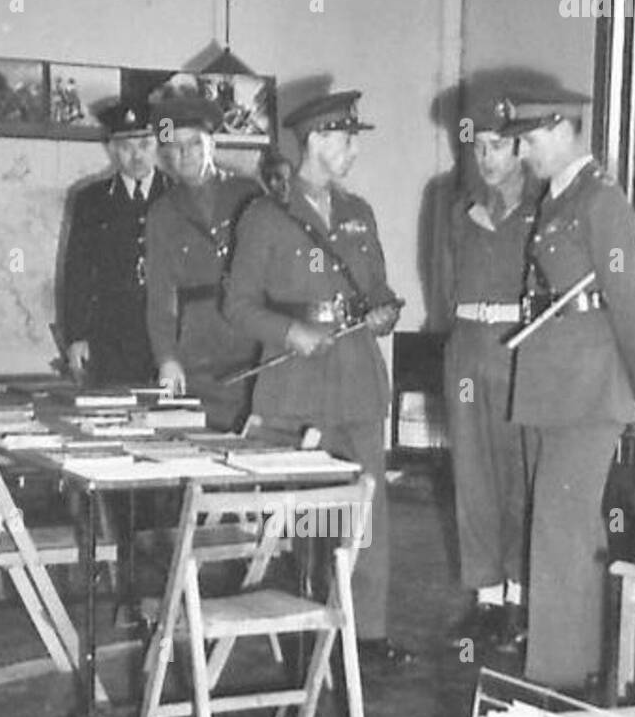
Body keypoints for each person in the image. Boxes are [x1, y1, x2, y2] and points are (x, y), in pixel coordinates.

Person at [224, 89, 413, 671]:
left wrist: (386, 311)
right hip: (299, 388)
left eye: (354, 138)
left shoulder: (359, 213)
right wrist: (289, 332)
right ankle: (315, 636)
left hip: (357, 378)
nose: (353, 149)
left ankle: (366, 637)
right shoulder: (266, 216)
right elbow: (238, 305)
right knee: (312, 518)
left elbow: (377, 287)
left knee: (367, 513)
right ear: (314, 141)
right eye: (344, 138)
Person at [503, 91, 635, 695]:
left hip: (591, 386)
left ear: (566, 130)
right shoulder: (558, 198)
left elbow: (626, 300)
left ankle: (557, 677)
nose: (522, 153)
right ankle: (588, 661)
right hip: (552, 379)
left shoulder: (602, 200)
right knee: (567, 525)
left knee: (561, 527)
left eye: (530, 140)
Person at [437, 91, 538, 651]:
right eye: (478, 148)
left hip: (519, 348)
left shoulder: (543, 210)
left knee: (519, 474)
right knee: (472, 476)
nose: (488, 159)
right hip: (468, 346)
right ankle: (486, 597)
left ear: (521, 147)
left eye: (499, 146)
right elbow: (444, 281)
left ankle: (520, 599)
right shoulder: (457, 210)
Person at [144, 93, 261, 430]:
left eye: (194, 143)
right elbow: (160, 295)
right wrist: (167, 358)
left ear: (212, 144)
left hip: (252, 340)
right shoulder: (163, 213)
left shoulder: (248, 194)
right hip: (199, 351)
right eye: (174, 147)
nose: (184, 154)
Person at [61, 100, 168, 386]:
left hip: (171, 336)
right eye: (126, 147)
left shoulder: (176, 195)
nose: (137, 156)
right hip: (110, 337)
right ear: (110, 149)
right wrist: (76, 336)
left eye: (145, 144)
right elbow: (77, 274)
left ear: (158, 144)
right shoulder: (91, 201)